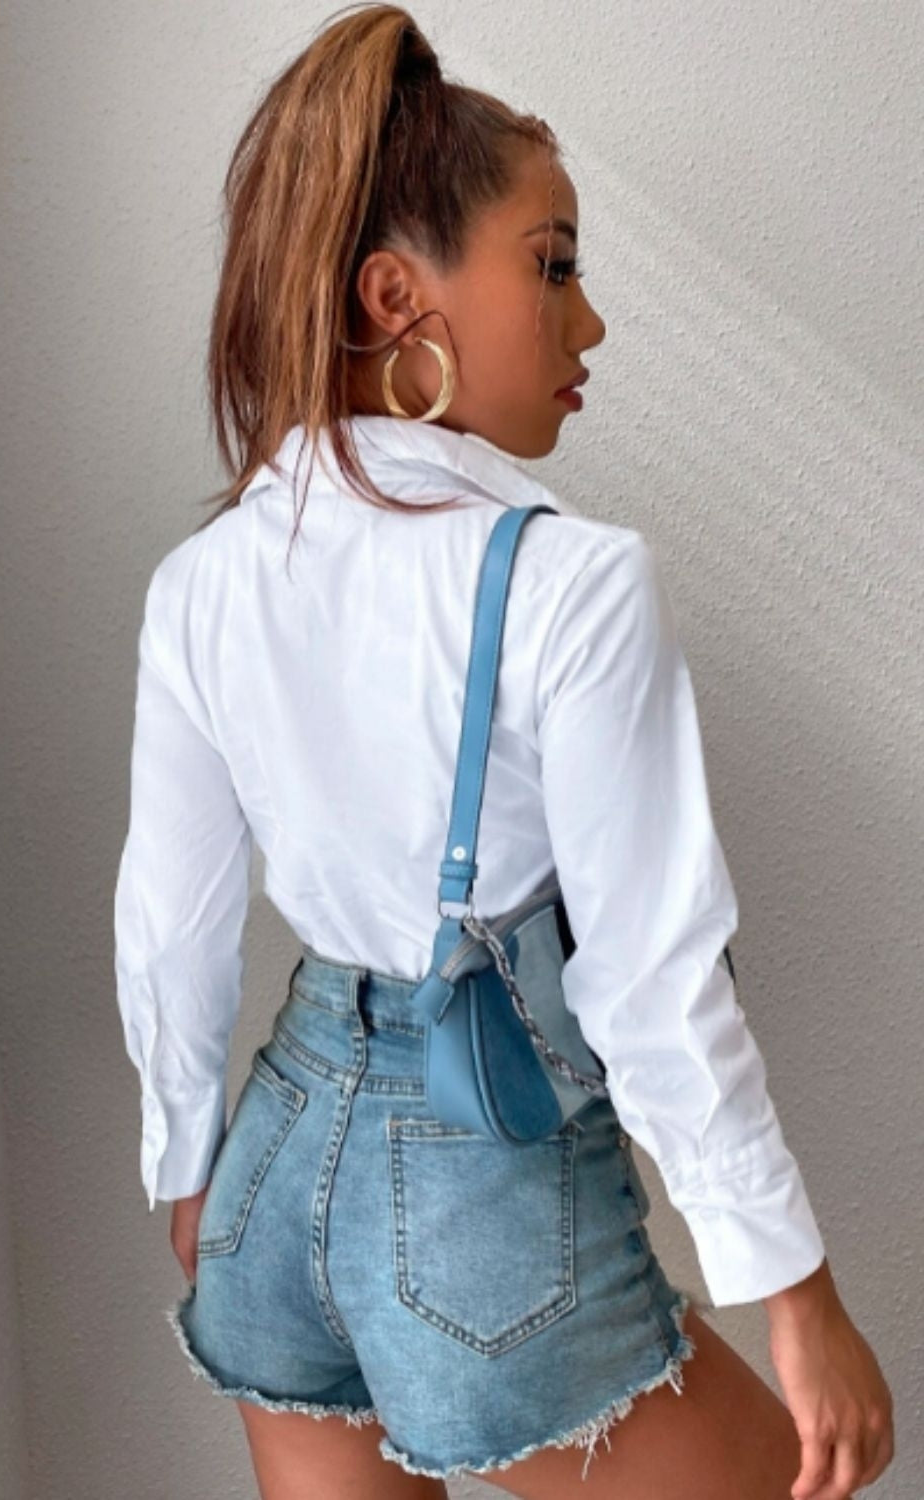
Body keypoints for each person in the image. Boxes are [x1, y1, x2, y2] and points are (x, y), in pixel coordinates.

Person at [113, 6, 893, 1498]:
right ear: (398, 297)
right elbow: (650, 980)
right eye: (554, 265)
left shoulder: (204, 580)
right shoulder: (566, 580)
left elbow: (170, 923)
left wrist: (189, 1166)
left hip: (273, 1173)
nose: (588, 324)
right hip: (477, 1192)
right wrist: (796, 1295)